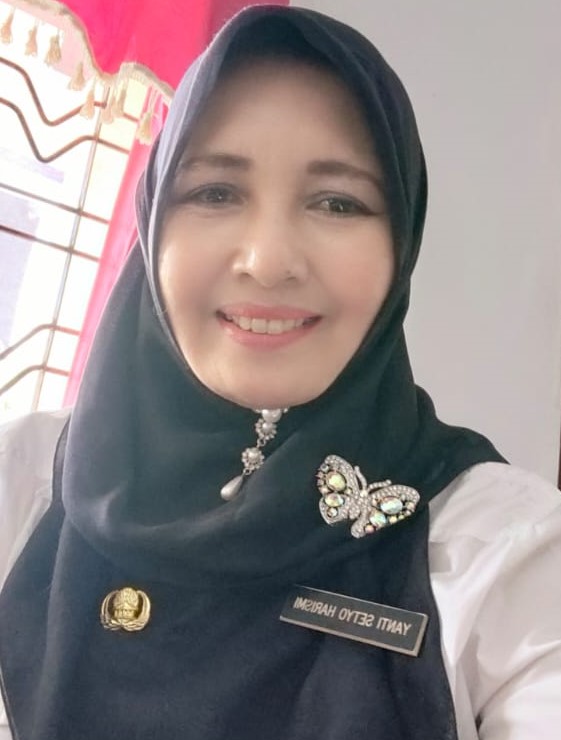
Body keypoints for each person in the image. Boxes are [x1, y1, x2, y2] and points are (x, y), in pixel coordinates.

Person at [0, 5, 560, 740]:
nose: (267, 261)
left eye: (337, 202)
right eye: (214, 192)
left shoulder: (501, 554)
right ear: (154, 218)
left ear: (402, 241)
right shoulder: (22, 480)